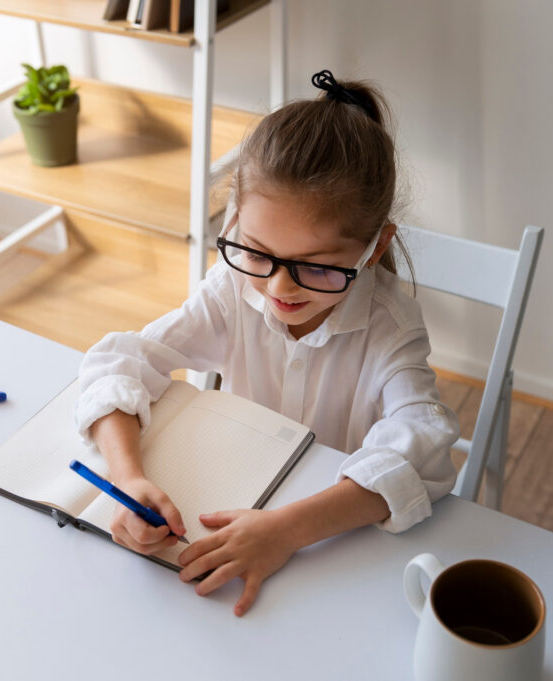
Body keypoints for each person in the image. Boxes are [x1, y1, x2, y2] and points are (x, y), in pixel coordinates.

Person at [76, 69, 459, 616]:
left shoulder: (391, 328)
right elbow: (121, 361)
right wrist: (128, 477)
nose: (279, 287)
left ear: (373, 251)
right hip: (228, 500)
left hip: (328, 541)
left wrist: (285, 530)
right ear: (235, 217)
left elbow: (422, 448)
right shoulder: (232, 288)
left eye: (318, 268)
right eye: (257, 252)